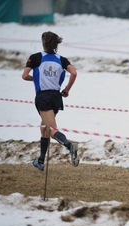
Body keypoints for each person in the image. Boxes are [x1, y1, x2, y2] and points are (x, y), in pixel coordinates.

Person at [22, 31, 79, 171]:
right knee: (44, 128)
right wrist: (67, 89)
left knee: (52, 129)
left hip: (43, 97)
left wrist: (35, 79)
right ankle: (41, 160)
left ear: (43, 42)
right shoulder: (62, 59)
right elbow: (74, 73)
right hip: (56, 97)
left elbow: (24, 76)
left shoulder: (35, 57)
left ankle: (69, 145)